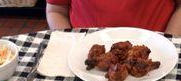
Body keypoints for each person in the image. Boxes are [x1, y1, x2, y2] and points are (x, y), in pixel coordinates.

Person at [46, 0, 181, 35]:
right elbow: (56, 11)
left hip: (156, 52)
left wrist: (170, 41)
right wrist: (68, 43)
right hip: (84, 56)